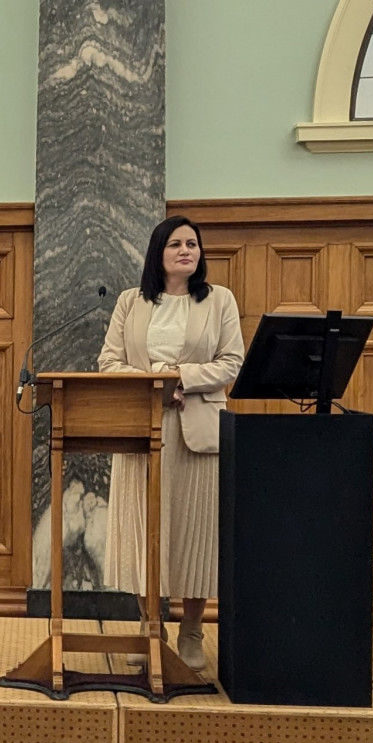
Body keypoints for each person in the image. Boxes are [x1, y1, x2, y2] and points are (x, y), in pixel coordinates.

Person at [97, 215, 244, 671]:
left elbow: (232, 361)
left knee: (196, 536)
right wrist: (155, 384)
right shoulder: (130, 302)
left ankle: (193, 632)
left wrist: (183, 377)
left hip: (196, 432)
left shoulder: (219, 300)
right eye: (177, 244)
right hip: (142, 428)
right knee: (144, 532)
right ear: (158, 252)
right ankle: (150, 631)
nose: (187, 251)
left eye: (193, 245)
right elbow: (108, 363)